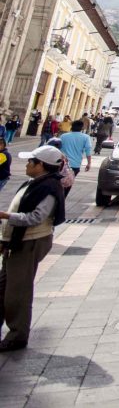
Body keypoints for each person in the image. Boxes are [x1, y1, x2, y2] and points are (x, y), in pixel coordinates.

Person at [0, 145, 67, 351]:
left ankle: (17, 335)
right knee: (3, 287)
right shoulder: (36, 182)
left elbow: (36, 217)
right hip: (18, 242)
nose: (27, 165)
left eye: (31, 162)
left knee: (18, 291)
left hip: (30, 242)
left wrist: (5, 216)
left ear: (42, 166)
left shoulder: (48, 188)